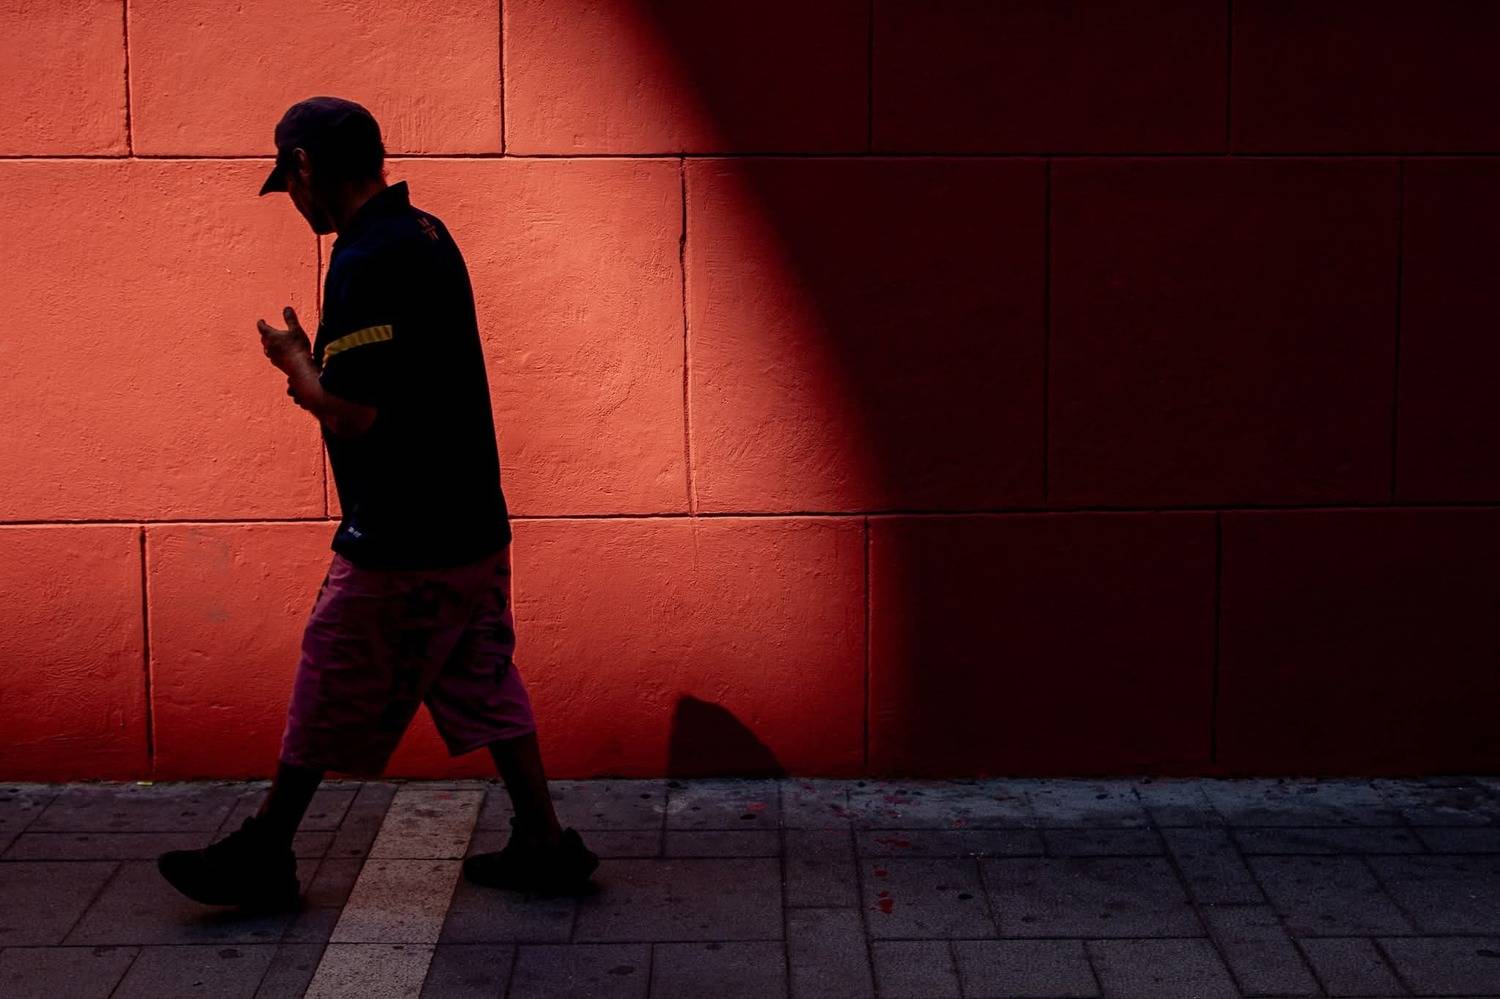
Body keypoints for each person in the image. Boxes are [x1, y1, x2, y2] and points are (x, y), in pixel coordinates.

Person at [157, 96, 598, 908]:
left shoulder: (366, 257)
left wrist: (295, 364)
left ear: (303, 168)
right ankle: (544, 841)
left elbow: (356, 413)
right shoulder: (427, 232)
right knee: (479, 678)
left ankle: (266, 851)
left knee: (332, 665)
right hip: (471, 520)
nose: (294, 203)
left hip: (404, 534)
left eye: (288, 183)